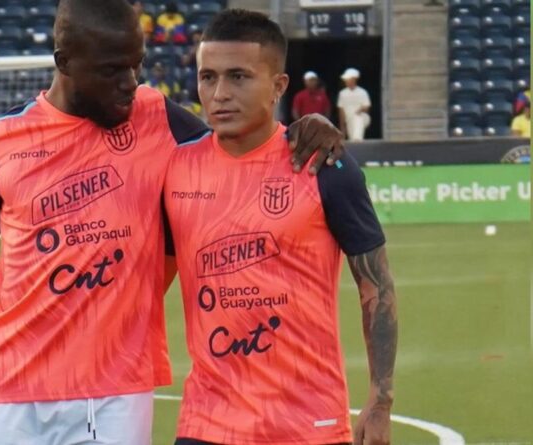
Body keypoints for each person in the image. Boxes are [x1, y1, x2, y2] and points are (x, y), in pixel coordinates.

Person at [0, 1, 344, 444]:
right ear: (65, 63)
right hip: (8, 385)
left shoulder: (159, 121)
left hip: (115, 391)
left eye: (136, 67)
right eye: (112, 70)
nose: (130, 84)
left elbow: (246, 138)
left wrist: (308, 125)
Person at [163, 10, 397, 445]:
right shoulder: (174, 167)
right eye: (207, 77)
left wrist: (380, 401)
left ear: (278, 86)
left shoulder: (325, 166)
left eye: (238, 77)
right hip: (206, 423)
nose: (219, 94)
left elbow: (377, 288)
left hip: (308, 425)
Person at [337, 67, 371, 141]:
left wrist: (360, 110)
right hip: (349, 120)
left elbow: (366, 107)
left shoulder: (362, 92)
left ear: (354, 79)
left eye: (348, 79)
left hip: (362, 118)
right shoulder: (342, 93)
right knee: (352, 138)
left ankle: (357, 139)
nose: (346, 81)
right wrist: (343, 128)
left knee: (358, 118)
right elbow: (341, 111)